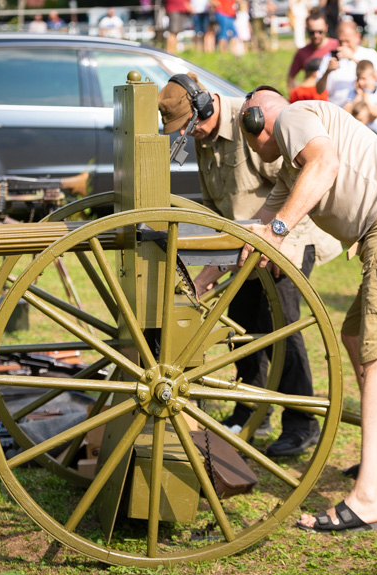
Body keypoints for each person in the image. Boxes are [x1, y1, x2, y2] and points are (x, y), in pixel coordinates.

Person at [238, 90, 377, 533]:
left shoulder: (292, 117)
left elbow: (325, 167)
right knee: (356, 337)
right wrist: (202, 279)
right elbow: (254, 226)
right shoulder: (292, 163)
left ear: (257, 118)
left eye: (247, 128)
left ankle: (371, 499)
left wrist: (279, 230)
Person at [157, 75, 342, 455]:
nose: (191, 136)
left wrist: (283, 240)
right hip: (240, 249)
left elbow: (299, 181)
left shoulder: (253, 123)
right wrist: (209, 265)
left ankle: (300, 422)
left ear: (207, 106)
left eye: (192, 125)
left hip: (286, 240)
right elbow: (214, 209)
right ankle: (251, 411)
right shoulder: (205, 138)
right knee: (243, 329)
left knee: (280, 330)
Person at [315, 20, 377, 107]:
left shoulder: (370, 54)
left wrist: (353, 59)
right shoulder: (329, 57)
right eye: (340, 41)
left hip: (361, 110)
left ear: (358, 37)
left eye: (347, 41)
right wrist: (327, 72)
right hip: (337, 110)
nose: (344, 45)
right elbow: (319, 90)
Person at [286, 12, 338, 90]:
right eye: (312, 32)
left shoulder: (336, 46)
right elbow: (290, 77)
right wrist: (294, 96)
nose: (316, 35)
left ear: (326, 28)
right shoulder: (302, 52)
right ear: (307, 29)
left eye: (320, 32)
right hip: (312, 99)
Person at [344, 60, 377, 139]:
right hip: (355, 133)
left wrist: (366, 95)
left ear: (373, 77)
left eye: (364, 79)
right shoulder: (353, 93)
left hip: (374, 132)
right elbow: (345, 113)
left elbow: (374, 114)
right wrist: (358, 96)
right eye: (359, 78)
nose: (361, 82)